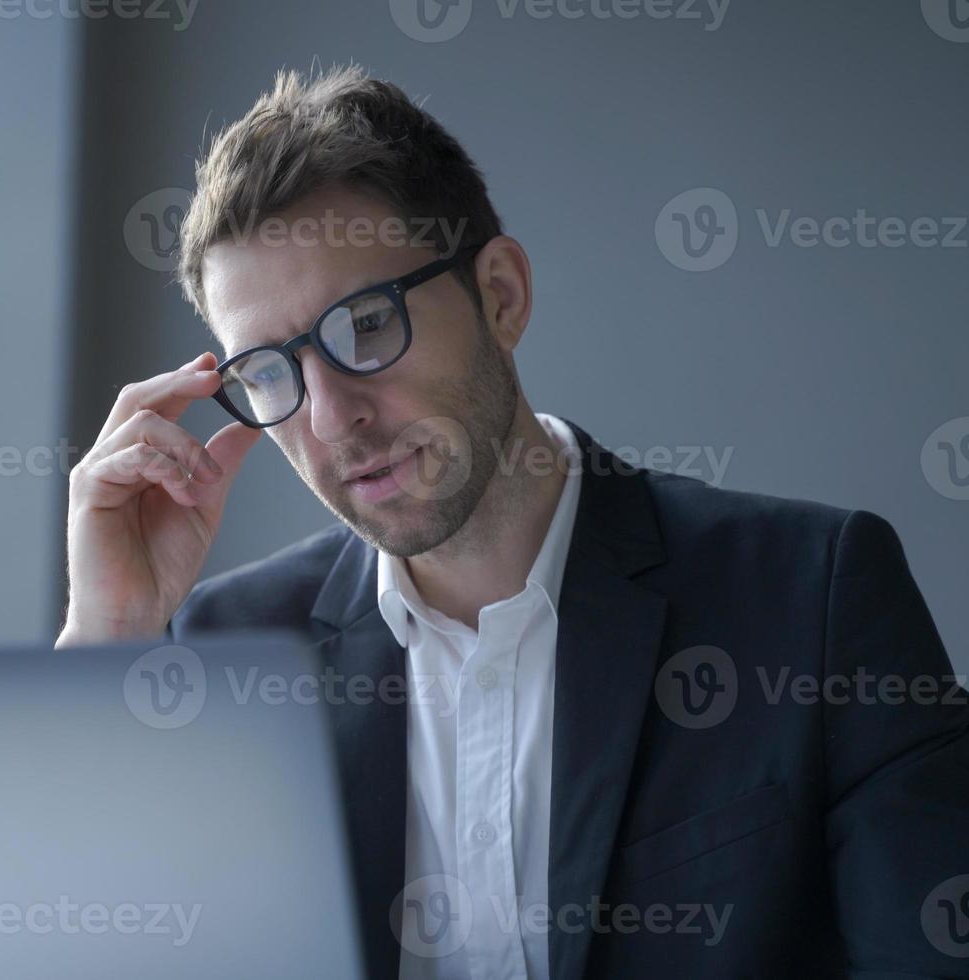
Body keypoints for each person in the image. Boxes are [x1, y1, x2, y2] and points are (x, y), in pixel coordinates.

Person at [56, 64, 969, 978]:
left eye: (367, 326)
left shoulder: (813, 598)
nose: (332, 419)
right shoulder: (225, 653)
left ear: (501, 296)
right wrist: (110, 636)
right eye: (266, 372)